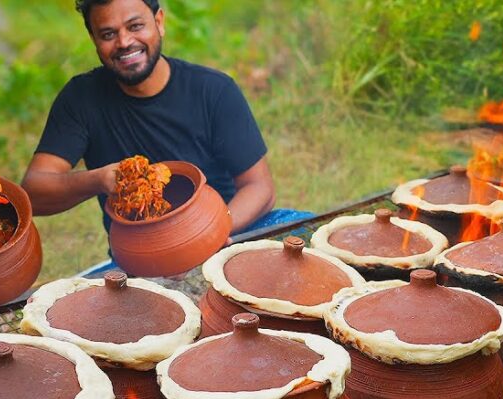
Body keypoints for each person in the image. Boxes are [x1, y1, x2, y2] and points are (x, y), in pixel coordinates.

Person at [23, 0, 301, 245]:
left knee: (306, 227)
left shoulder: (213, 90)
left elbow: (259, 188)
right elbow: (34, 193)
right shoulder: (80, 99)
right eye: (108, 34)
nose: (124, 42)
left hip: (229, 231)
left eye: (135, 26)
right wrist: (98, 179)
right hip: (141, 254)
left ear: (159, 22)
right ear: (94, 39)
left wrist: (214, 228)